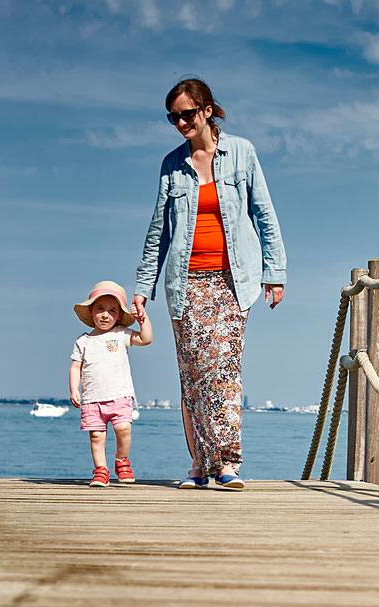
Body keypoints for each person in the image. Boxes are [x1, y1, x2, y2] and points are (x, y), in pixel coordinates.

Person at [134, 77, 286, 490]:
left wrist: (275, 273)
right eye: (173, 117)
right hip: (185, 283)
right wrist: (142, 287)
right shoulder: (172, 164)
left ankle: (228, 464)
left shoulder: (241, 152)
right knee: (194, 373)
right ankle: (201, 465)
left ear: (205, 110)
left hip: (234, 279)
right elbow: (157, 233)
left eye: (186, 114)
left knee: (224, 369)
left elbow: (264, 214)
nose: (180, 122)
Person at [69, 280, 153, 487]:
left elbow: (146, 339)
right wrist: (74, 390)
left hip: (120, 395)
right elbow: (75, 367)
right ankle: (100, 470)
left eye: (112, 310)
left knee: (123, 428)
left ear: (119, 315)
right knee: (96, 436)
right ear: (91, 312)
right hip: (92, 399)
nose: (105, 315)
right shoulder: (83, 341)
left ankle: (122, 461)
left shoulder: (121, 334)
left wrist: (143, 320)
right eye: (100, 309)